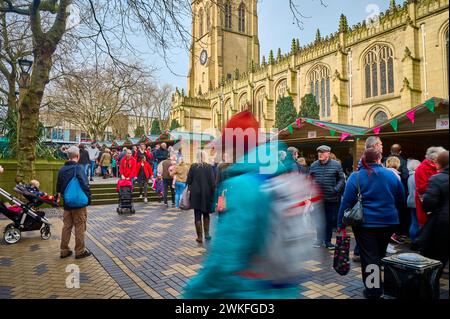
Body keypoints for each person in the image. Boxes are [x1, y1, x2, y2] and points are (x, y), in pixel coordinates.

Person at [183, 111, 300, 298]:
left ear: (235, 145)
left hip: (249, 293)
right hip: (283, 288)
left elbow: (224, 263)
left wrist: (193, 293)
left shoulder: (242, 185)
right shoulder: (279, 174)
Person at [337, 148, 405, 299]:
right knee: (379, 255)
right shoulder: (391, 175)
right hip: (388, 223)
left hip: (365, 225)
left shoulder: (356, 176)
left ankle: (373, 290)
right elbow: (401, 198)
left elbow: (346, 202)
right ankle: (378, 286)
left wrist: (340, 225)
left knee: (370, 258)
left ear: (364, 159)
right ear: (379, 159)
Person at [56, 146, 92, 259]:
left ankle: (64, 250)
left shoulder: (62, 169)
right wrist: (88, 197)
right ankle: (80, 251)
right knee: (80, 226)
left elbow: (59, 187)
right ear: (78, 156)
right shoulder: (79, 168)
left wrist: (63, 197)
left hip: (67, 202)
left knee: (66, 226)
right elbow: (85, 185)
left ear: (68, 156)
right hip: (79, 203)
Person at [309, 145, 346, 249]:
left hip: (331, 198)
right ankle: (319, 240)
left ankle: (328, 241)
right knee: (319, 220)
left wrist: (335, 189)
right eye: (319, 152)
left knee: (329, 220)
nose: (320, 154)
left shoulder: (336, 165)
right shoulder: (314, 165)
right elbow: (310, 180)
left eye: (323, 152)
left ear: (328, 154)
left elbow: (341, 179)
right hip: (318, 198)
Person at [421, 151, 449, 271]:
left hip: (441, 225)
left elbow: (428, 203)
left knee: (433, 259)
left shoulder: (437, 179)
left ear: (440, 164)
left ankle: (431, 286)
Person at [186, 150, 215, 243]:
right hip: (207, 193)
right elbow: (212, 182)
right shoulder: (209, 167)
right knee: (206, 214)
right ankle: (207, 234)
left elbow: (189, 180)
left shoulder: (193, 166)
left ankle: (199, 237)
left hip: (195, 194)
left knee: (197, 215)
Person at [415, 146, 446, 226]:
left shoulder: (439, 167)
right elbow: (421, 188)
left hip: (439, 203)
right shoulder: (422, 168)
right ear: (434, 158)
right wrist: (437, 184)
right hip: (428, 203)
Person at [407, 159, 421, 250]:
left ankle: (413, 241)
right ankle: (417, 242)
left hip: (410, 201)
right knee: (418, 223)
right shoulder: (417, 175)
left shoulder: (410, 176)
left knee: (413, 222)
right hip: (417, 201)